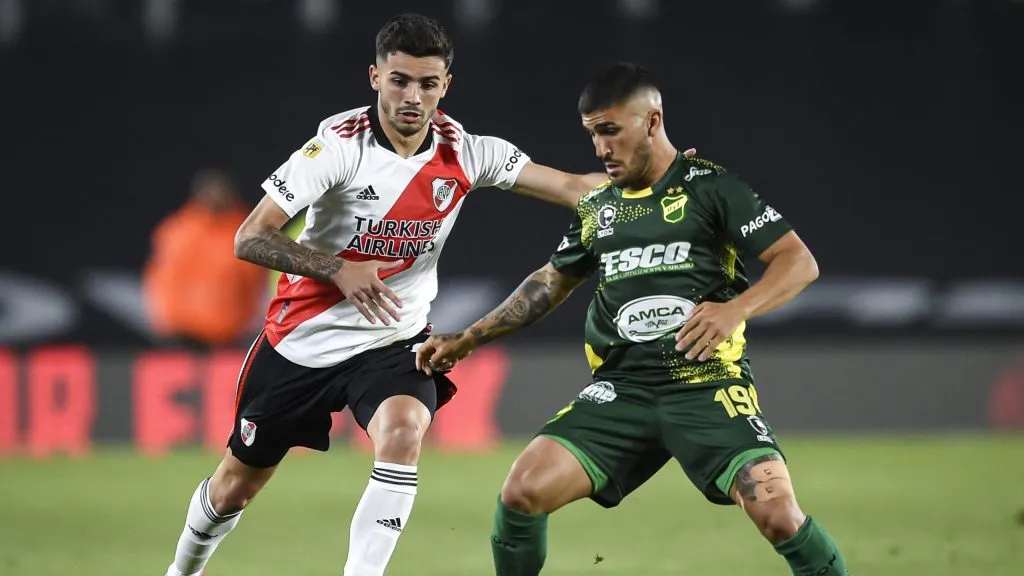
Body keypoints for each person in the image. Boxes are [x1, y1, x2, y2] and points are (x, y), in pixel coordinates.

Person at [162, 15, 696, 576]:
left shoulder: (465, 151)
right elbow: (250, 237)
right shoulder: (337, 147)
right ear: (375, 77)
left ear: (445, 85)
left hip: (395, 339)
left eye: (427, 83)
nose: (412, 96)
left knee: (402, 433)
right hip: (303, 342)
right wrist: (339, 268)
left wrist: (662, 174)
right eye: (399, 81)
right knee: (233, 489)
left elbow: (572, 187)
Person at [416, 62, 850, 576]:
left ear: (652, 121)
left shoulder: (711, 188)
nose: (600, 148)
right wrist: (470, 337)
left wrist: (735, 309)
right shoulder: (601, 206)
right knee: (522, 491)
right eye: (592, 134)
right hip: (621, 390)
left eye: (610, 130)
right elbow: (551, 281)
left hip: (706, 387)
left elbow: (799, 262)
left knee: (777, 515)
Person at [143, 169, 265, 348]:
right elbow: (161, 278)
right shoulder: (178, 230)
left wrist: (247, 322)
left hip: (228, 334)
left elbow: (254, 283)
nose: (215, 196)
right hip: (180, 332)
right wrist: (163, 318)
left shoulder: (244, 231)